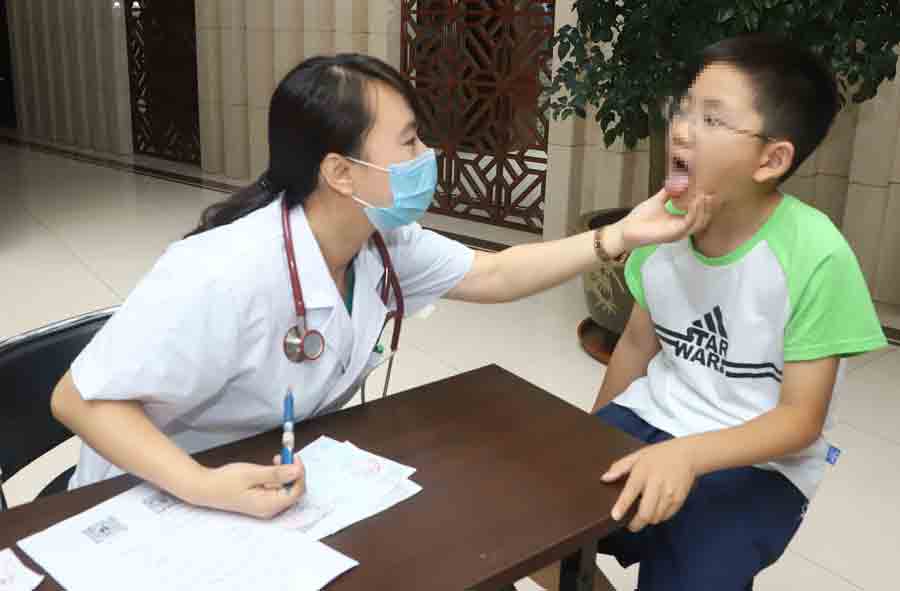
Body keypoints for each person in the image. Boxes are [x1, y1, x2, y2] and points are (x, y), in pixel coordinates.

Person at [50, 53, 709, 520]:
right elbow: (79, 399)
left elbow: (495, 272)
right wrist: (201, 485)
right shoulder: (223, 271)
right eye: (410, 141)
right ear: (341, 172)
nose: (427, 157)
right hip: (161, 492)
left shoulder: (380, 240)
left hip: (273, 477)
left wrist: (619, 235)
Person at [533, 34, 888, 591]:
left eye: (712, 119)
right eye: (684, 109)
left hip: (760, 456)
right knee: (527, 527)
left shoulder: (816, 254)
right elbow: (636, 344)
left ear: (771, 159)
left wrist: (688, 456)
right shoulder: (660, 227)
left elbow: (800, 421)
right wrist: (590, 435)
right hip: (653, 415)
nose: (680, 129)